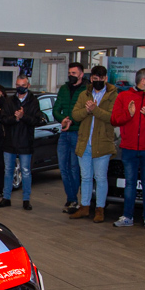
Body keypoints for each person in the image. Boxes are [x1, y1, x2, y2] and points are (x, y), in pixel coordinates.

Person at [111, 67, 145, 228]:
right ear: (143, 81)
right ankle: (127, 216)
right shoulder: (124, 96)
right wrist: (129, 114)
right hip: (129, 148)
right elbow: (114, 119)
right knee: (130, 183)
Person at [68, 66, 118, 223]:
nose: (98, 81)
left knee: (101, 178)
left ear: (106, 79)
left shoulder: (113, 95)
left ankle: (100, 209)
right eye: (95, 78)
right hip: (85, 143)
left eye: (101, 79)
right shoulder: (84, 94)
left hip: (103, 143)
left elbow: (112, 118)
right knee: (86, 177)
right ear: (91, 79)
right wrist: (87, 111)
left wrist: (95, 109)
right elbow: (75, 115)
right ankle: (84, 207)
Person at [0, 74, 43, 210]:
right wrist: (15, 119)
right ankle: (6, 197)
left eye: (23, 85)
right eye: (18, 85)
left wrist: (23, 117)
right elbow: (3, 119)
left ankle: (26, 199)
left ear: (28, 85)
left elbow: (36, 120)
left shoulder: (33, 101)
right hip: (10, 142)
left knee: (26, 171)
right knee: (8, 171)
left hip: (25, 142)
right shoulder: (10, 101)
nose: (20, 88)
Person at [53, 62, 88, 213]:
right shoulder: (64, 89)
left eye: (74, 73)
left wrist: (72, 120)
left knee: (74, 168)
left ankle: (73, 200)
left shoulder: (86, 89)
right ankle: (71, 198)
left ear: (81, 74)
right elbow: (56, 109)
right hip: (64, 132)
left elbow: (85, 112)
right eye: (69, 73)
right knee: (63, 167)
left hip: (78, 132)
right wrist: (63, 119)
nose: (71, 75)